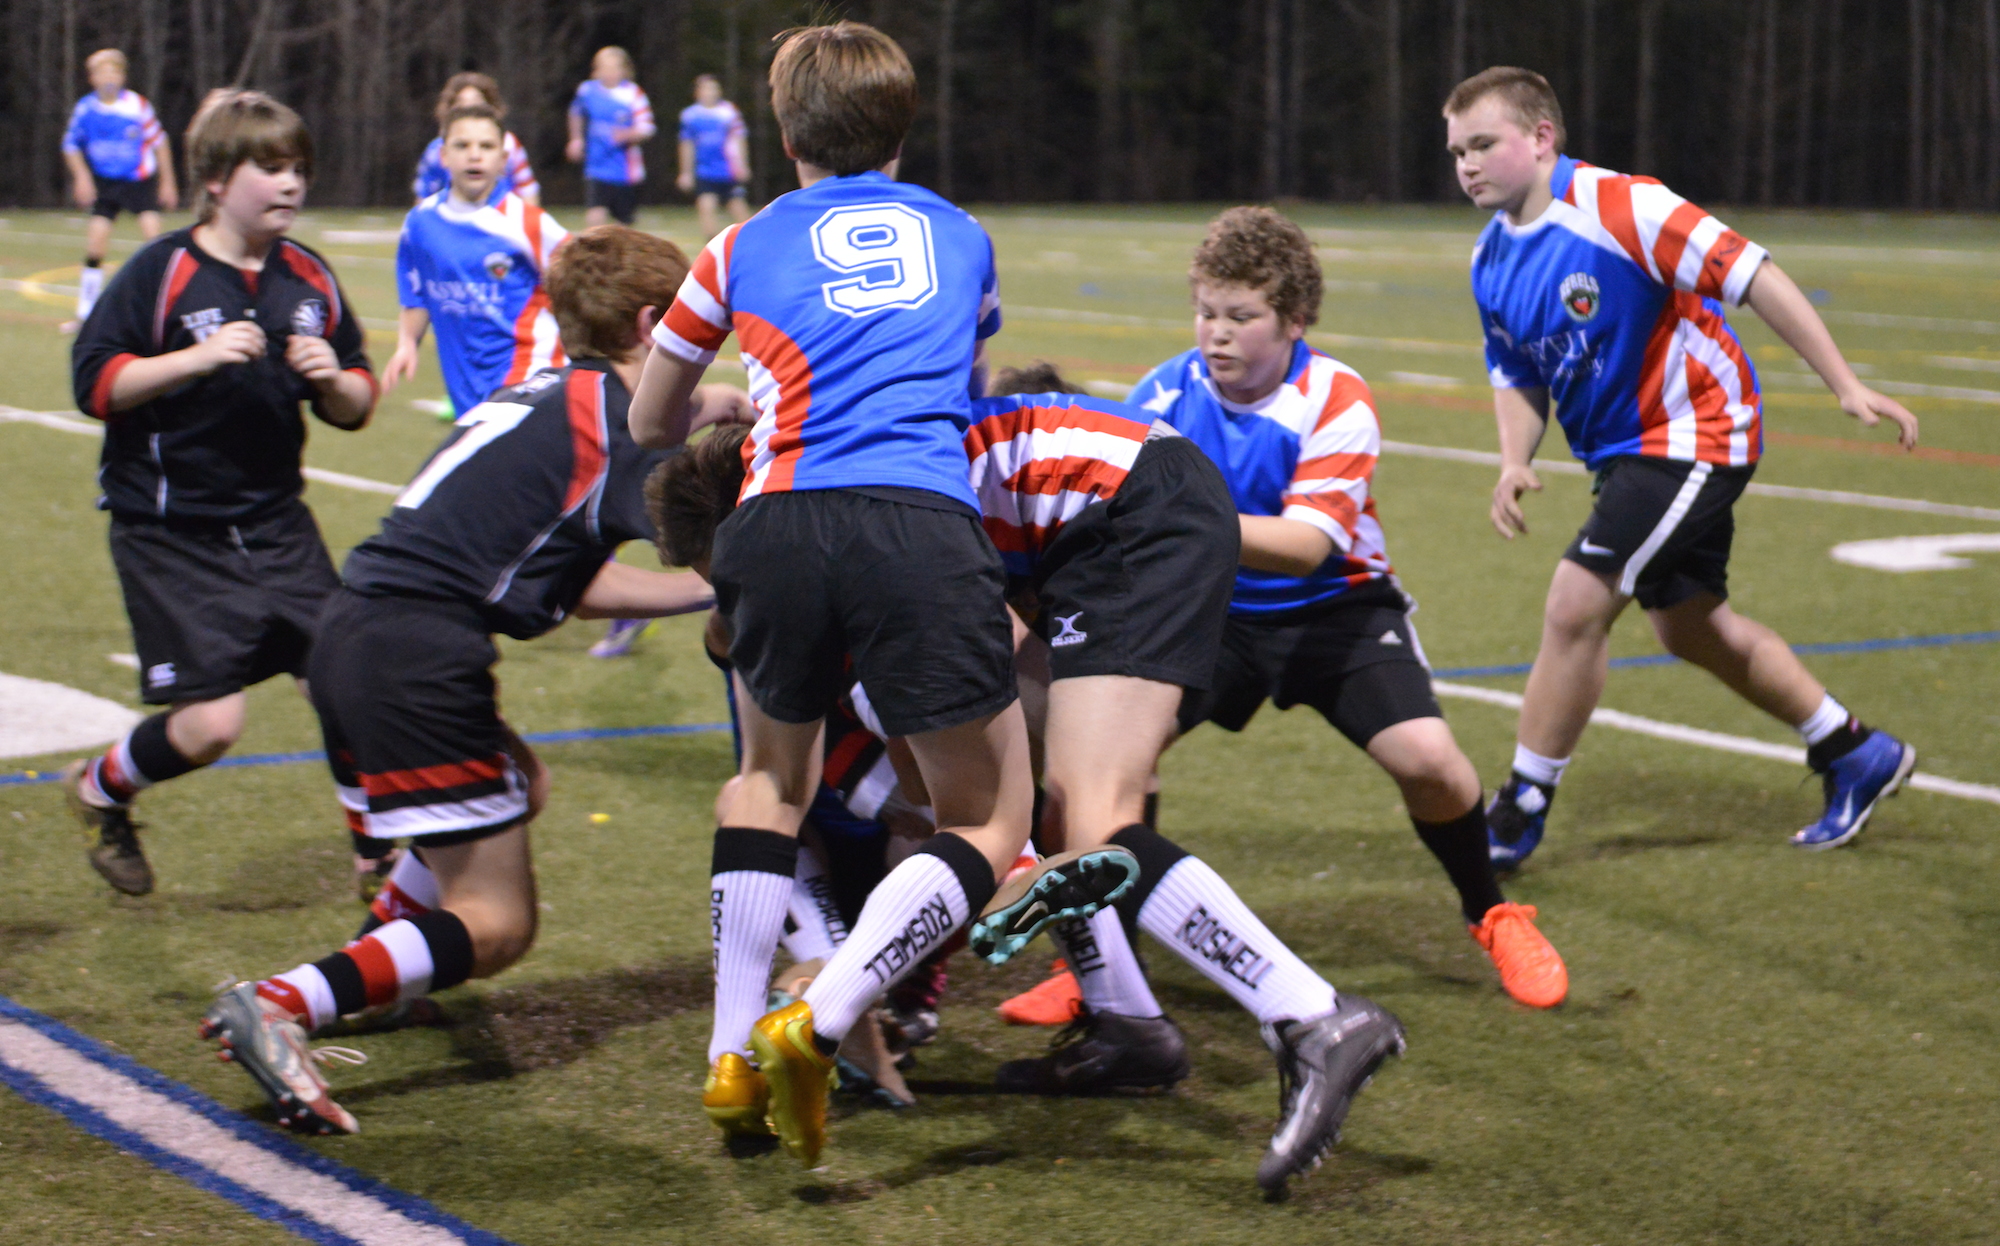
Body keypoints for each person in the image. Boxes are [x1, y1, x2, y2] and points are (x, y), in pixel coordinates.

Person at [654, 364, 1411, 1197]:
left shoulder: (843, 521)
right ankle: (1149, 1021)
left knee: (1084, 816)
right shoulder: (835, 491)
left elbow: (959, 686)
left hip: (1129, 510)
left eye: (729, 575)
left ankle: (1309, 1015)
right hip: (1106, 512)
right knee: (1053, 812)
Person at [625, 22, 1136, 1169]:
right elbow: (955, 379)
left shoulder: (738, 242)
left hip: (779, 520)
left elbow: (648, 424)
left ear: (786, 129)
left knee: (766, 781)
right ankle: (822, 1012)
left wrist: (728, 408)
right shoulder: (962, 236)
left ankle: (727, 1058)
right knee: (984, 818)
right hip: (914, 523)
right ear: (901, 125)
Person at [197, 225, 727, 1135]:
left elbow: (569, 578)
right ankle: (287, 1000)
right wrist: (725, 577)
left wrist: (695, 569)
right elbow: (708, 500)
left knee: (520, 782)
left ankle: (378, 972)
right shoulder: (621, 428)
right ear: (654, 321)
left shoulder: (555, 392)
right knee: (500, 922)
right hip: (414, 654)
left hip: (359, 630)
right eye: (693, 326)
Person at [1441, 67, 1921, 865]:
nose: (1467, 164)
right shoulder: (1490, 259)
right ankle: (1853, 750)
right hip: (1628, 454)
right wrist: (1511, 461)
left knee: (1575, 601)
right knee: (1691, 627)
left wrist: (1844, 383)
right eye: (1457, 150)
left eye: (1484, 143)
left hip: (1697, 430)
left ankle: (1521, 805)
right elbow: (1517, 373)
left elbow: (1753, 272)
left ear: (1541, 138)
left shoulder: (1622, 206)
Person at [1126, 206, 1568, 1010]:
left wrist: (1182, 520)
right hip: (1213, 613)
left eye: (1241, 316)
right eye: (1206, 312)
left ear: (1295, 320)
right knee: (1116, 759)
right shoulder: (1162, 392)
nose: (1216, 333)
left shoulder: (1335, 398)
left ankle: (1492, 910)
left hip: (1336, 609)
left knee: (1431, 763)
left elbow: (1303, 547)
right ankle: (1107, 967)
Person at [62, 90, 376, 897]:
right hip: (172, 534)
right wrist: (192, 361)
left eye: (299, 169)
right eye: (269, 168)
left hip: (277, 525)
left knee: (344, 681)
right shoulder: (161, 272)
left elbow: (359, 401)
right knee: (210, 727)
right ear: (213, 180)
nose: (290, 184)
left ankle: (381, 876)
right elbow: (94, 383)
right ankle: (102, 787)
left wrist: (334, 381)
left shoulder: (307, 276)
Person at [384, 104, 567, 420]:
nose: (474, 155)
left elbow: (586, 278)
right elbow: (417, 294)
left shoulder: (528, 223)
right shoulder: (420, 224)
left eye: (486, 146)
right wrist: (406, 344)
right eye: (462, 145)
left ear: (502, 161)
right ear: (443, 156)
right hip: (467, 381)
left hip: (529, 370)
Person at [61, 49, 178, 331]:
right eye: (102, 72)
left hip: (138, 181)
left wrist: (168, 181)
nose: (109, 78)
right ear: (92, 78)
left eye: (114, 72)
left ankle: (169, 310)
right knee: (95, 244)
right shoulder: (86, 109)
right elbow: (70, 145)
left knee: (156, 242)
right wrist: (82, 177)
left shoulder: (137, 105)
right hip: (107, 184)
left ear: (122, 77)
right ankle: (85, 315)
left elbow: (160, 143)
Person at [411, 73, 539, 206]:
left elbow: (527, 189)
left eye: (487, 146)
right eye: (461, 146)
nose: (469, 108)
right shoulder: (435, 150)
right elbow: (423, 196)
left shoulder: (509, 144)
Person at [567, 47, 655, 227]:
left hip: (625, 171)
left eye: (614, 68)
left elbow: (647, 127)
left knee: (623, 227)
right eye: (605, 68)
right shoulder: (587, 90)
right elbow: (575, 113)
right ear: (596, 70)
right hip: (597, 168)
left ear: (624, 70)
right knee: (595, 218)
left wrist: (628, 134)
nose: (610, 73)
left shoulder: (633, 93)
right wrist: (576, 139)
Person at [677, 74, 750, 239]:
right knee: (706, 206)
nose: (710, 92)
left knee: (740, 210)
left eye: (713, 88)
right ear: (697, 92)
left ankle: (750, 239)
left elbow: (739, 139)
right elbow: (686, 145)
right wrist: (686, 172)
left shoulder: (729, 112)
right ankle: (712, 243)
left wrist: (743, 165)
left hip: (728, 170)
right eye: (706, 89)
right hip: (705, 171)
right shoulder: (690, 115)